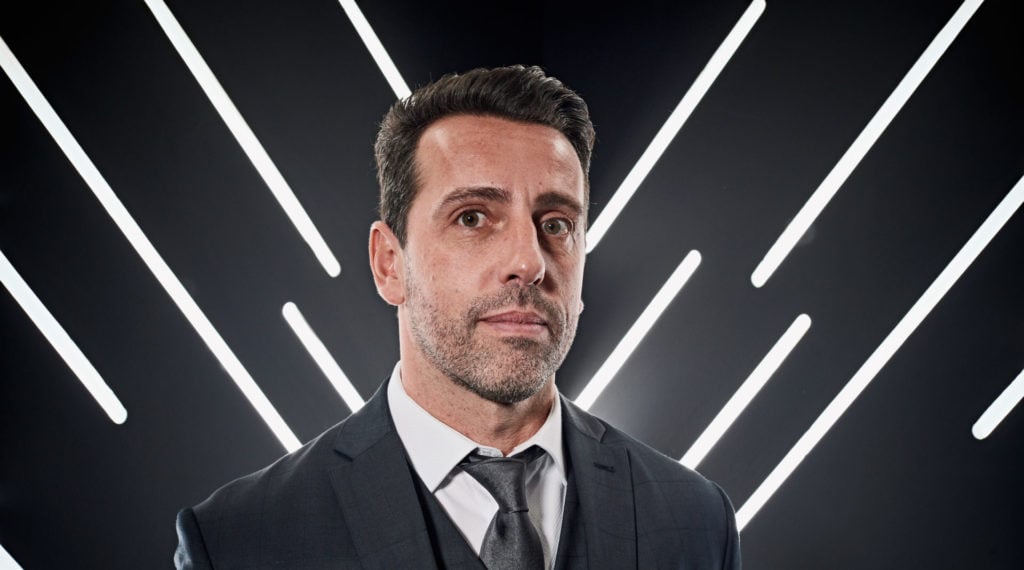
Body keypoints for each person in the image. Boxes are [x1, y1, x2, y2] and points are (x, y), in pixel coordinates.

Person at [174, 65, 741, 569]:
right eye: (473, 217)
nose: (529, 261)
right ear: (388, 263)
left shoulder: (697, 522)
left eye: (557, 223)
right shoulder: (238, 542)